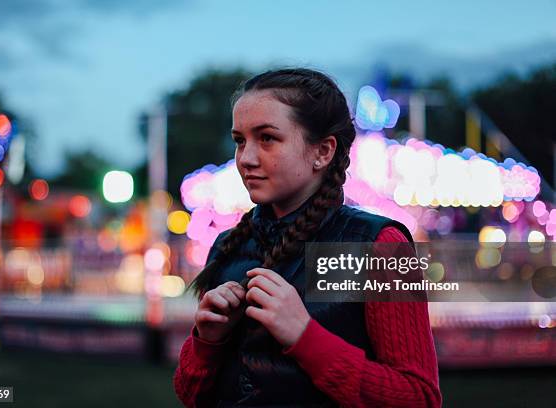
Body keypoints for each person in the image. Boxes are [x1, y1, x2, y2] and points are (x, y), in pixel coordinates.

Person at [173, 68, 442, 407]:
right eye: (240, 140)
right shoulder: (229, 246)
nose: (246, 158)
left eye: (267, 138)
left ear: (323, 152)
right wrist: (207, 342)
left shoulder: (377, 246)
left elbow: (419, 399)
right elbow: (190, 394)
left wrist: (304, 336)